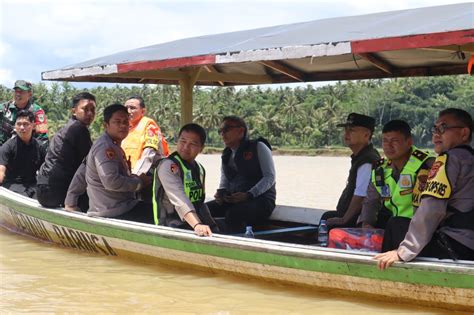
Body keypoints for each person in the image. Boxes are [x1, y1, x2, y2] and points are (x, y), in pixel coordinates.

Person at [375, 108, 474, 269]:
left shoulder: (448, 159)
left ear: (464, 133)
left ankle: (386, 277)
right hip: (468, 244)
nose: (436, 134)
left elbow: (432, 208)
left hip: (454, 246)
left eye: (443, 128)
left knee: (396, 224)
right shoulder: (469, 158)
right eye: (435, 129)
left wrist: (404, 251)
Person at [66, 104, 153, 223]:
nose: (123, 125)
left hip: (118, 207)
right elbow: (111, 182)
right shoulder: (105, 147)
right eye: (117, 122)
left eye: (125, 122)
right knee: (162, 215)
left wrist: (70, 201)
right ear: (106, 125)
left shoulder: (111, 144)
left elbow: (82, 171)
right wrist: (139, 183)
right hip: (114, 212)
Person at [358, 120, 434, 233]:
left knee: (395, 223)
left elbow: (431, 208)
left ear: (409, 142)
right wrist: (367, 225)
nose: (388, 146)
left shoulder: (426, 165)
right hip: (396, 226)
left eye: (394, 141)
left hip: (421, 229)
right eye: (385, 141)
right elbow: (370, 202)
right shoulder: (381, 170)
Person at [206, 116, 276, 233]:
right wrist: (221, 192)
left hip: (262, 201)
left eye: (226, 129)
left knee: (234, 214)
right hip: (235, 200)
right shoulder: (227, 153)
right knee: (204, 209)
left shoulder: (258, 147)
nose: (222, 134)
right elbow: (225, 178)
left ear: (241, 131)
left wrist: (249, 195)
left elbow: (270, 177)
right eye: (220, 131)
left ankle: (236, 243)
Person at [153, 123, 216, 237]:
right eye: (183, 141)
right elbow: (180, 200)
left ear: (201, 148)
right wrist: (197, 225)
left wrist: (213, 225)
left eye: (193, 143)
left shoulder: (199, 169)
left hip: (190, 224)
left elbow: (200, 203)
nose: (186, 147)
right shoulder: (168, 166)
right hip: (170, 226)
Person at [36, 92, 96, 210]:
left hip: (43, 190)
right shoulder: (79, 129)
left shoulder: (69, 127)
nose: (90, 113)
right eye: (85, 109)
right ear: (74, 111)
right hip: (55, 193)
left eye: (93, 110)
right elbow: (91, 164)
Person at [321, 113, 380, 229]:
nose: (346, 134)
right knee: (327, 217)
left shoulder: (367, 160)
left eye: (351, 130)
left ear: (366, 135)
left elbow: (360, 195)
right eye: (346, 130)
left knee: (327, 219)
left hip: (357, 219)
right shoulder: (361, 157)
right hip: (349, 215)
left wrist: (344, 219)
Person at [0, 110, 46, 198]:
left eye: (25, 124)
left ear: (33, 126)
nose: (21, 127)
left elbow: (46, 170)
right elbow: (0, 171)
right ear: (15, 126)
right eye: (19, 124)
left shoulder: (39, 147)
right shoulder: (7, 147)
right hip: (12, 186)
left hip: (32, 185)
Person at [121, 96, 169, 175]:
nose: (128, 111)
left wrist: (135, 177)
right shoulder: (127, 129)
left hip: (147, 175)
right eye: (126, 108)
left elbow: (148, 155)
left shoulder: (150, 128)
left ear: (142, 111)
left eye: (132, 108)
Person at [1, 80, 48, 147]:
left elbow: (43, 139)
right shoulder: (3, 108)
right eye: (16, 91)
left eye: (21, 91)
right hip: (3, 151)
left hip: (27, 152)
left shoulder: (37, 112)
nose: (18, 94)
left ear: (30, 94)